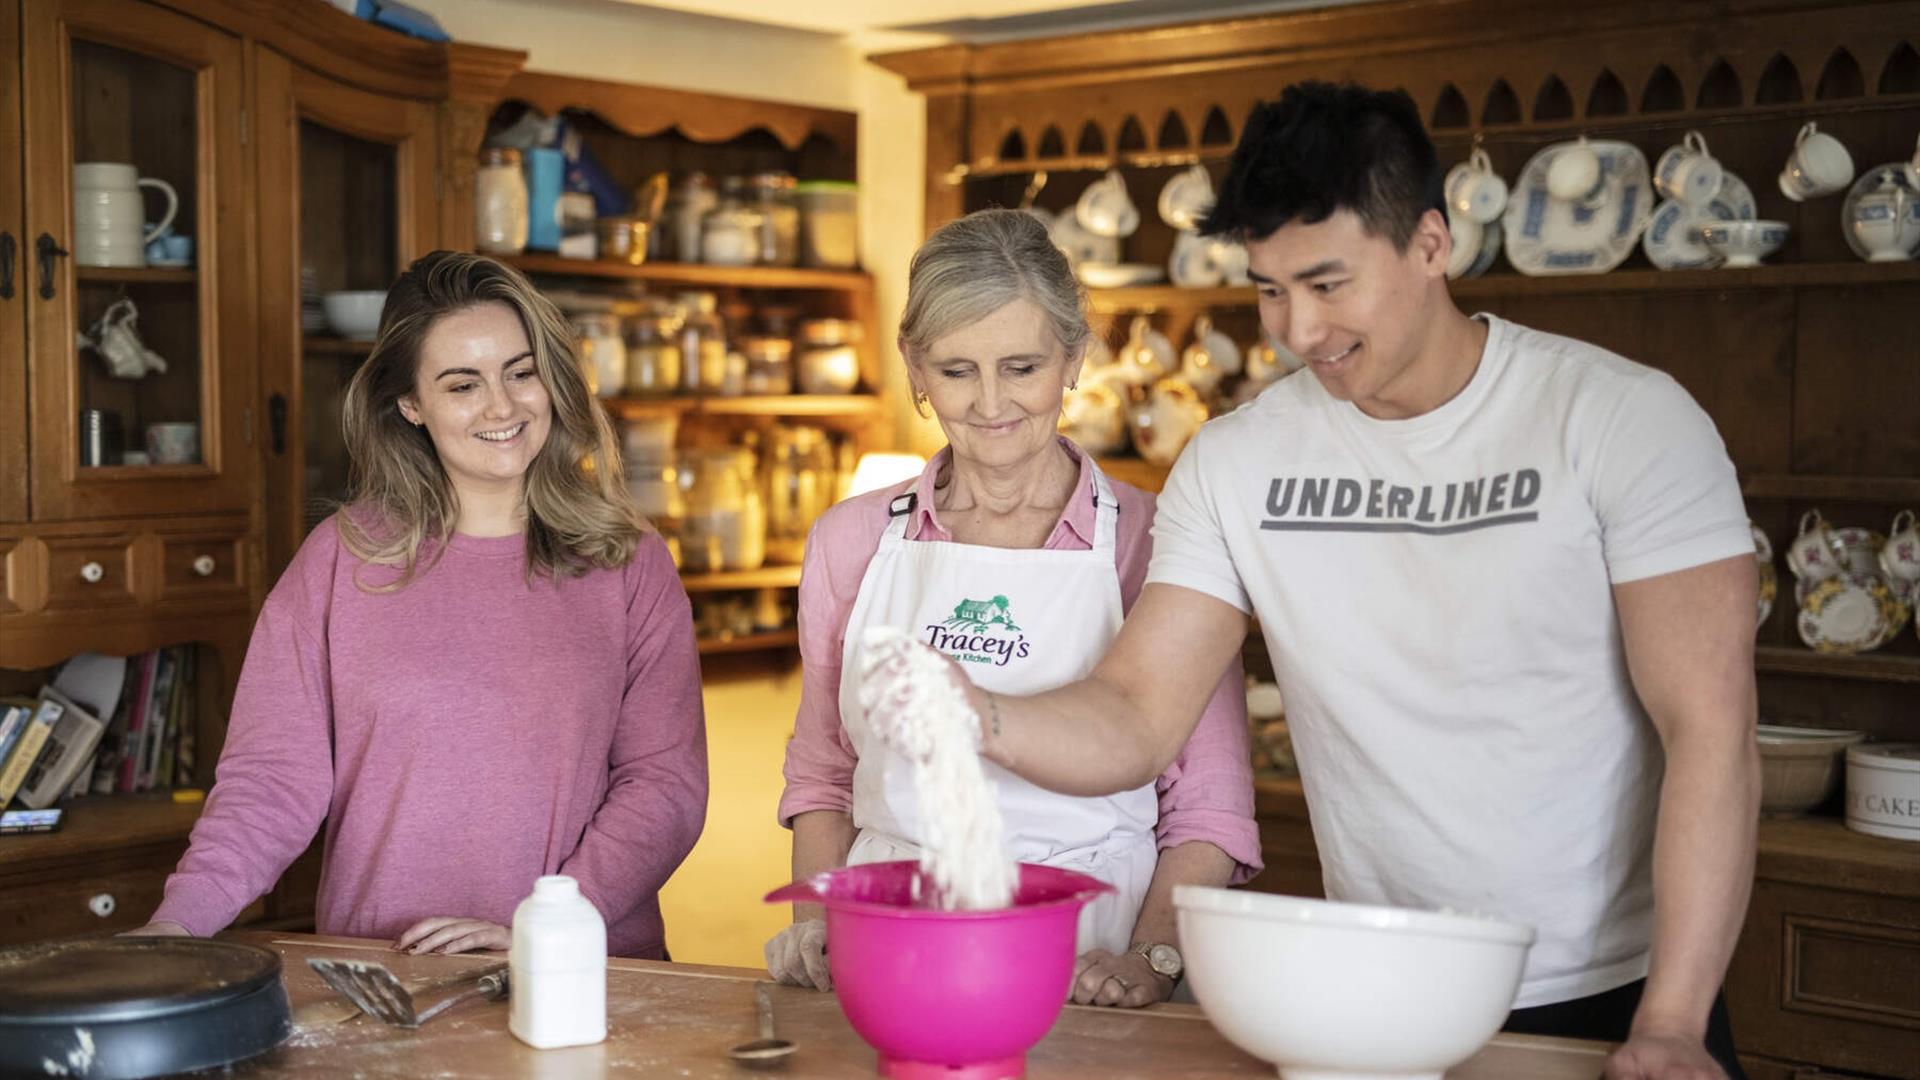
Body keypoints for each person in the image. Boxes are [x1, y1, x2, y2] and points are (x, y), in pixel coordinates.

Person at [888, 85, 1760, 1078]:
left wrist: (1674, 1023)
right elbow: (1136, 710)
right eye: (1268, 289)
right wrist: (977, 714)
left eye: (1328, 282)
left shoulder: (1622, 422)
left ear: (1431, 243)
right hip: (1379, 987)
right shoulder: (1236, 464)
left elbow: (1711, 727)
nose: (1296, 330)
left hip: (1612, 995)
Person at [130, 251, 707, 959]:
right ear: (410, 403)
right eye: (462, 385)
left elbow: (664, 785)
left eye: (521, 373)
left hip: (581, 970)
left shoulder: (628, 560)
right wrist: (177, 923)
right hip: (387, 975)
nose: (502, 406)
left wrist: (546, 926)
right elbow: (270, 782)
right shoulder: (340, 560)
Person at [767, 209, 1262, 1008]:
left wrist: (1154, 959)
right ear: (914, 368)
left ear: (1074, 357)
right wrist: (823, 915)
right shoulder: (850, 541)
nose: (991, 404)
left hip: (1086, 961)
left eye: (1022, 366)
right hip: (890, 939)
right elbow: (824, 772)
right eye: (957, 370)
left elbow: (1209, 804)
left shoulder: (1158, 540)